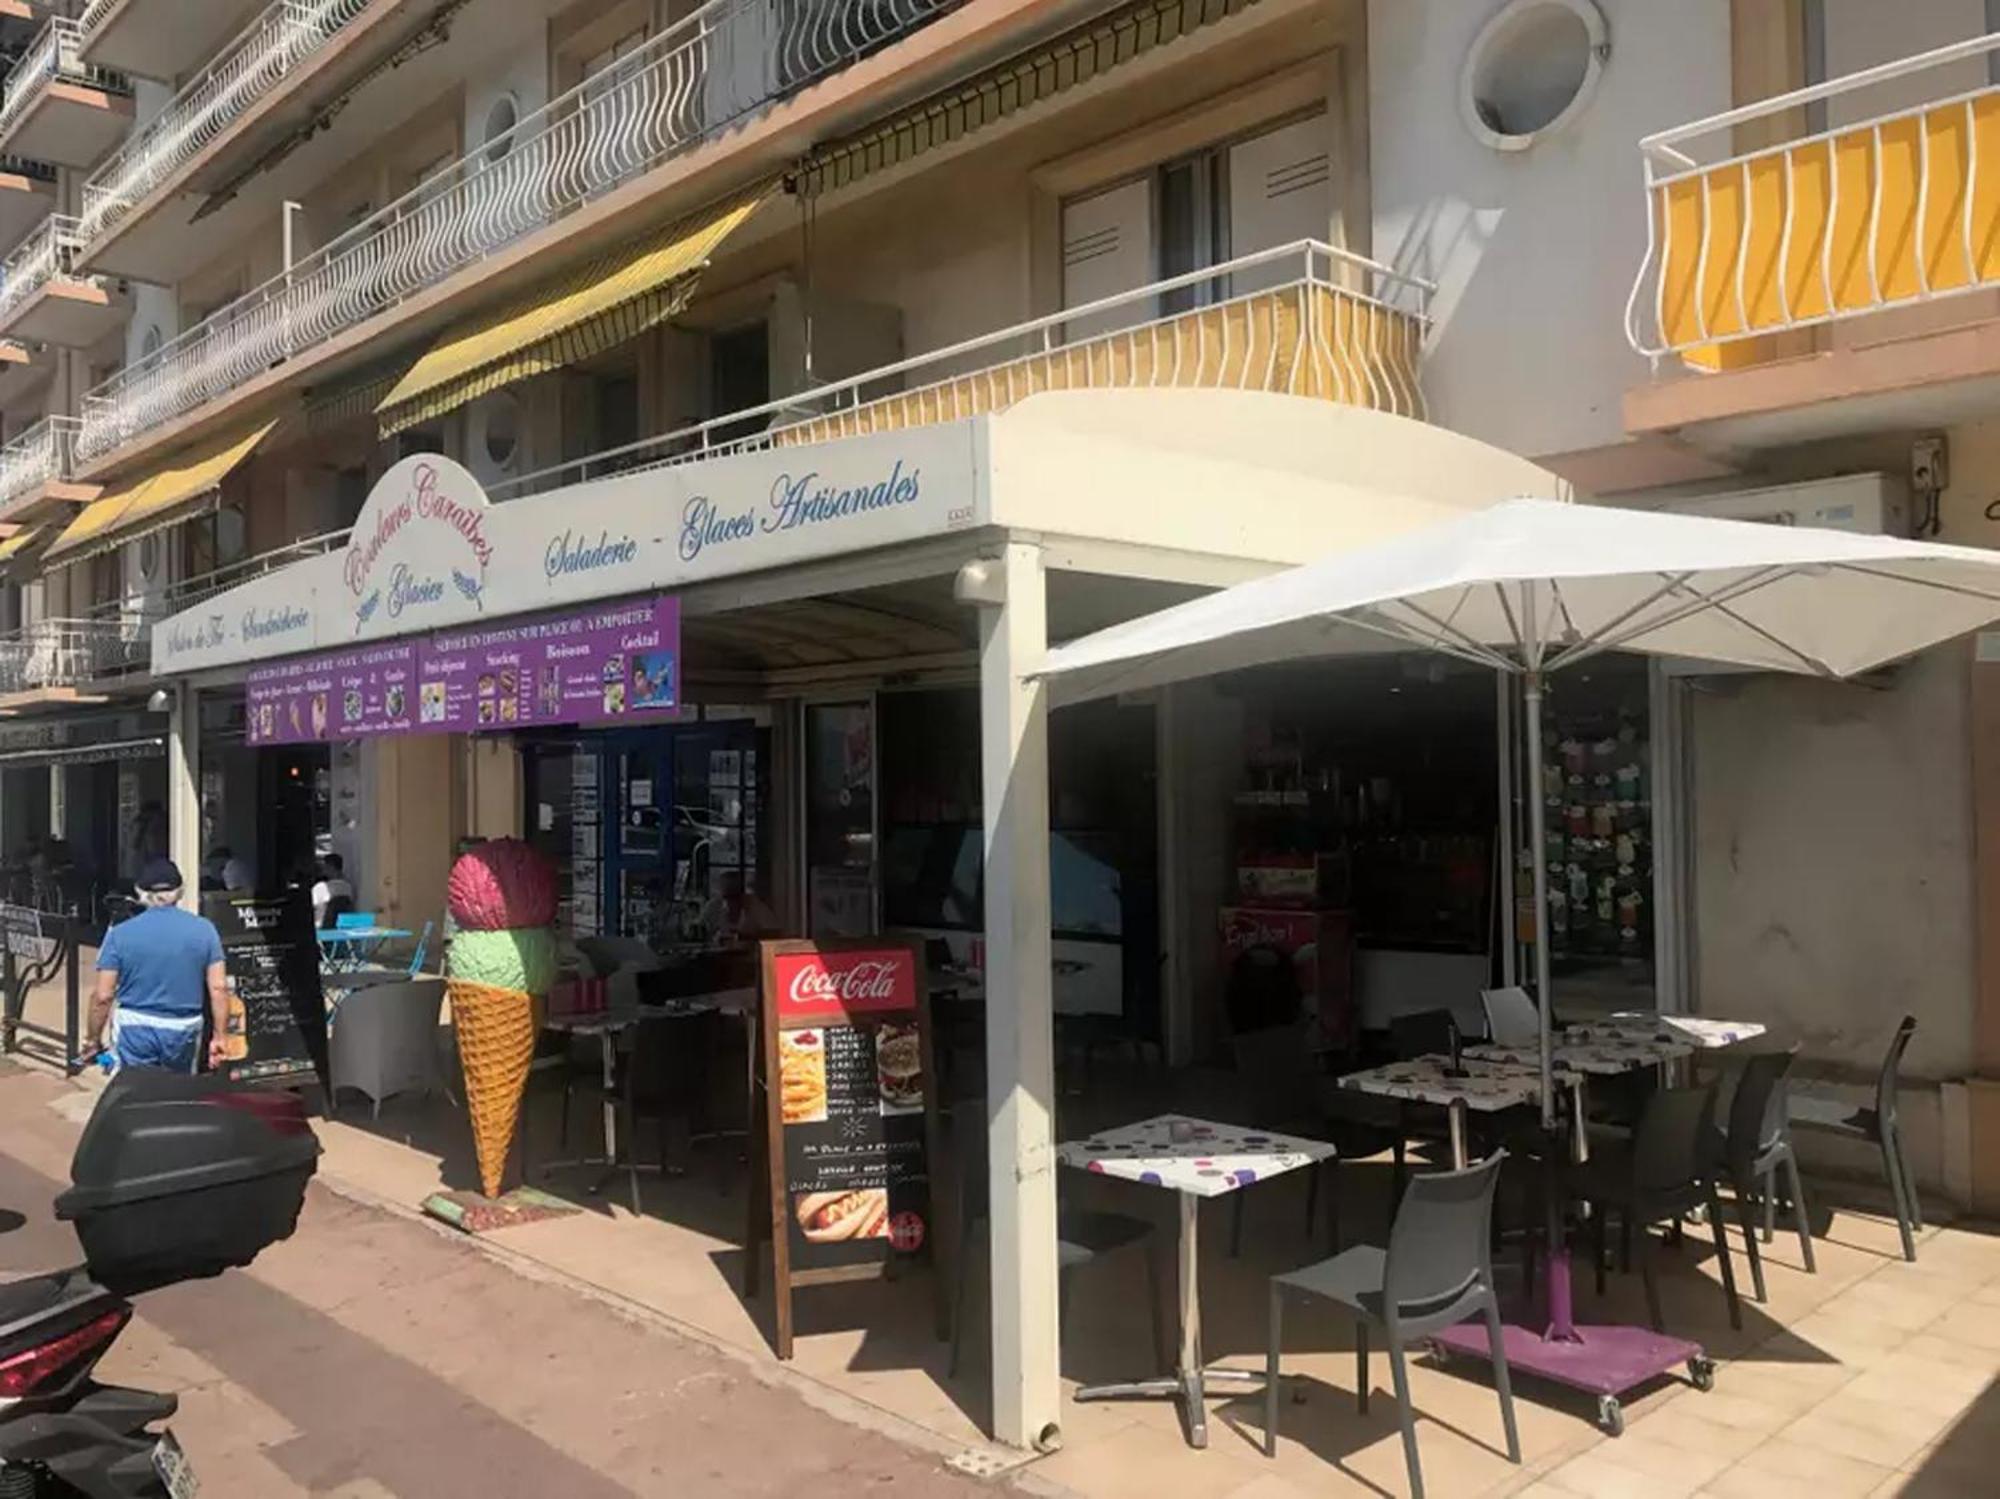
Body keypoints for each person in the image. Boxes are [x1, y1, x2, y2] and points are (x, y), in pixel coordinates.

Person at [85, 859, 229, 1074]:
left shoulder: (120, 934)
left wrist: (93, 1039)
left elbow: (103, 996)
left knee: (130, 1092)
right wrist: (220, 1036)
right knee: (177, 1094)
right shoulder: (205, 930)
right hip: (184, 1026)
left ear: (140, 893)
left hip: (135, 1025)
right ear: (180, 892)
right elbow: (219, 989)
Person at [698, 870, 778, 944]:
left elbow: (774, 932)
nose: (731, 902)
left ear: (742, 894)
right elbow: (698, 931)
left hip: (748, 956)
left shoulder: (756, 906)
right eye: (727, 897)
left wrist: (744, 937)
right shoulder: (713, 907)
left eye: (735, 897)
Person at [311, 853, 353, 928]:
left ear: (330, 867)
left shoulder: (320, 887)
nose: (322, 869)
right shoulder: (348, 887)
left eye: (324, 866)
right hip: (342, 928)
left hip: (322, 927)